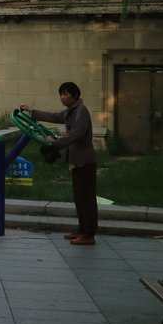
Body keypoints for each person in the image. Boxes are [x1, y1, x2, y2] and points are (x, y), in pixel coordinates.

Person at [20, 82, 97, 245]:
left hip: (85, 161)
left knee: (87, 198)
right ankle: (82, 230)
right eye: (61, 94)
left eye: (66, 94)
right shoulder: (71, 111)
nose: (62, 98)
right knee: (79, 197)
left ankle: (89, 234)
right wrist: (31, 111)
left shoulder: (81, 111)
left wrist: (55, 141)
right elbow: (54, 116)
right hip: (77, 161)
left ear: (75, 95)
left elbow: (76, 134)